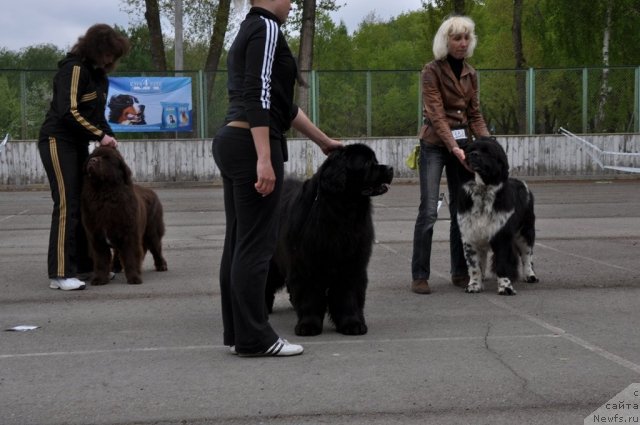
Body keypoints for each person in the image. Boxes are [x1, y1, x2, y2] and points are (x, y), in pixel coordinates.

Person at [212, 0, 342, 357]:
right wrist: (265, 157)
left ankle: (240, 332)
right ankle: (256, 338)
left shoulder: (247, 30)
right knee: (256, 245)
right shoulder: (267, 27)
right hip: (252, 143)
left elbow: (283, 105)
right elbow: (259, 95)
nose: (292, 3)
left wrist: (324, 142)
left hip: (232, 140)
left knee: (239, 242)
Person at [38, 24, 130, 290]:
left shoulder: (99, 77)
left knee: (81, 204)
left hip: (78, 143)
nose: (110, 59)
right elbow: (69, 112)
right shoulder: (73, 69)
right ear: (96, 48)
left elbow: (99, 117)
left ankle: (85, 265)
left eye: (115, 55)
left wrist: (110, 140)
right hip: (57, 140)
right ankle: (59, 273)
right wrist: (101, 136)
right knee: (66, 204)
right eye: (108, 52)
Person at [411, 15, 491, 295]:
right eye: (457, 38)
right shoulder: (431, 71)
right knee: (429, 210)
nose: (462, 43)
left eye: (466, 38)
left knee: (462, 210)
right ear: (446, 41)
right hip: (435, 144)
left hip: (462, 146)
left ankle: (460, 271)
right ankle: (420, 274)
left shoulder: (471, 72)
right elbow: (436, 114)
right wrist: (453, 147)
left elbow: (475, 114)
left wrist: (490, 145)